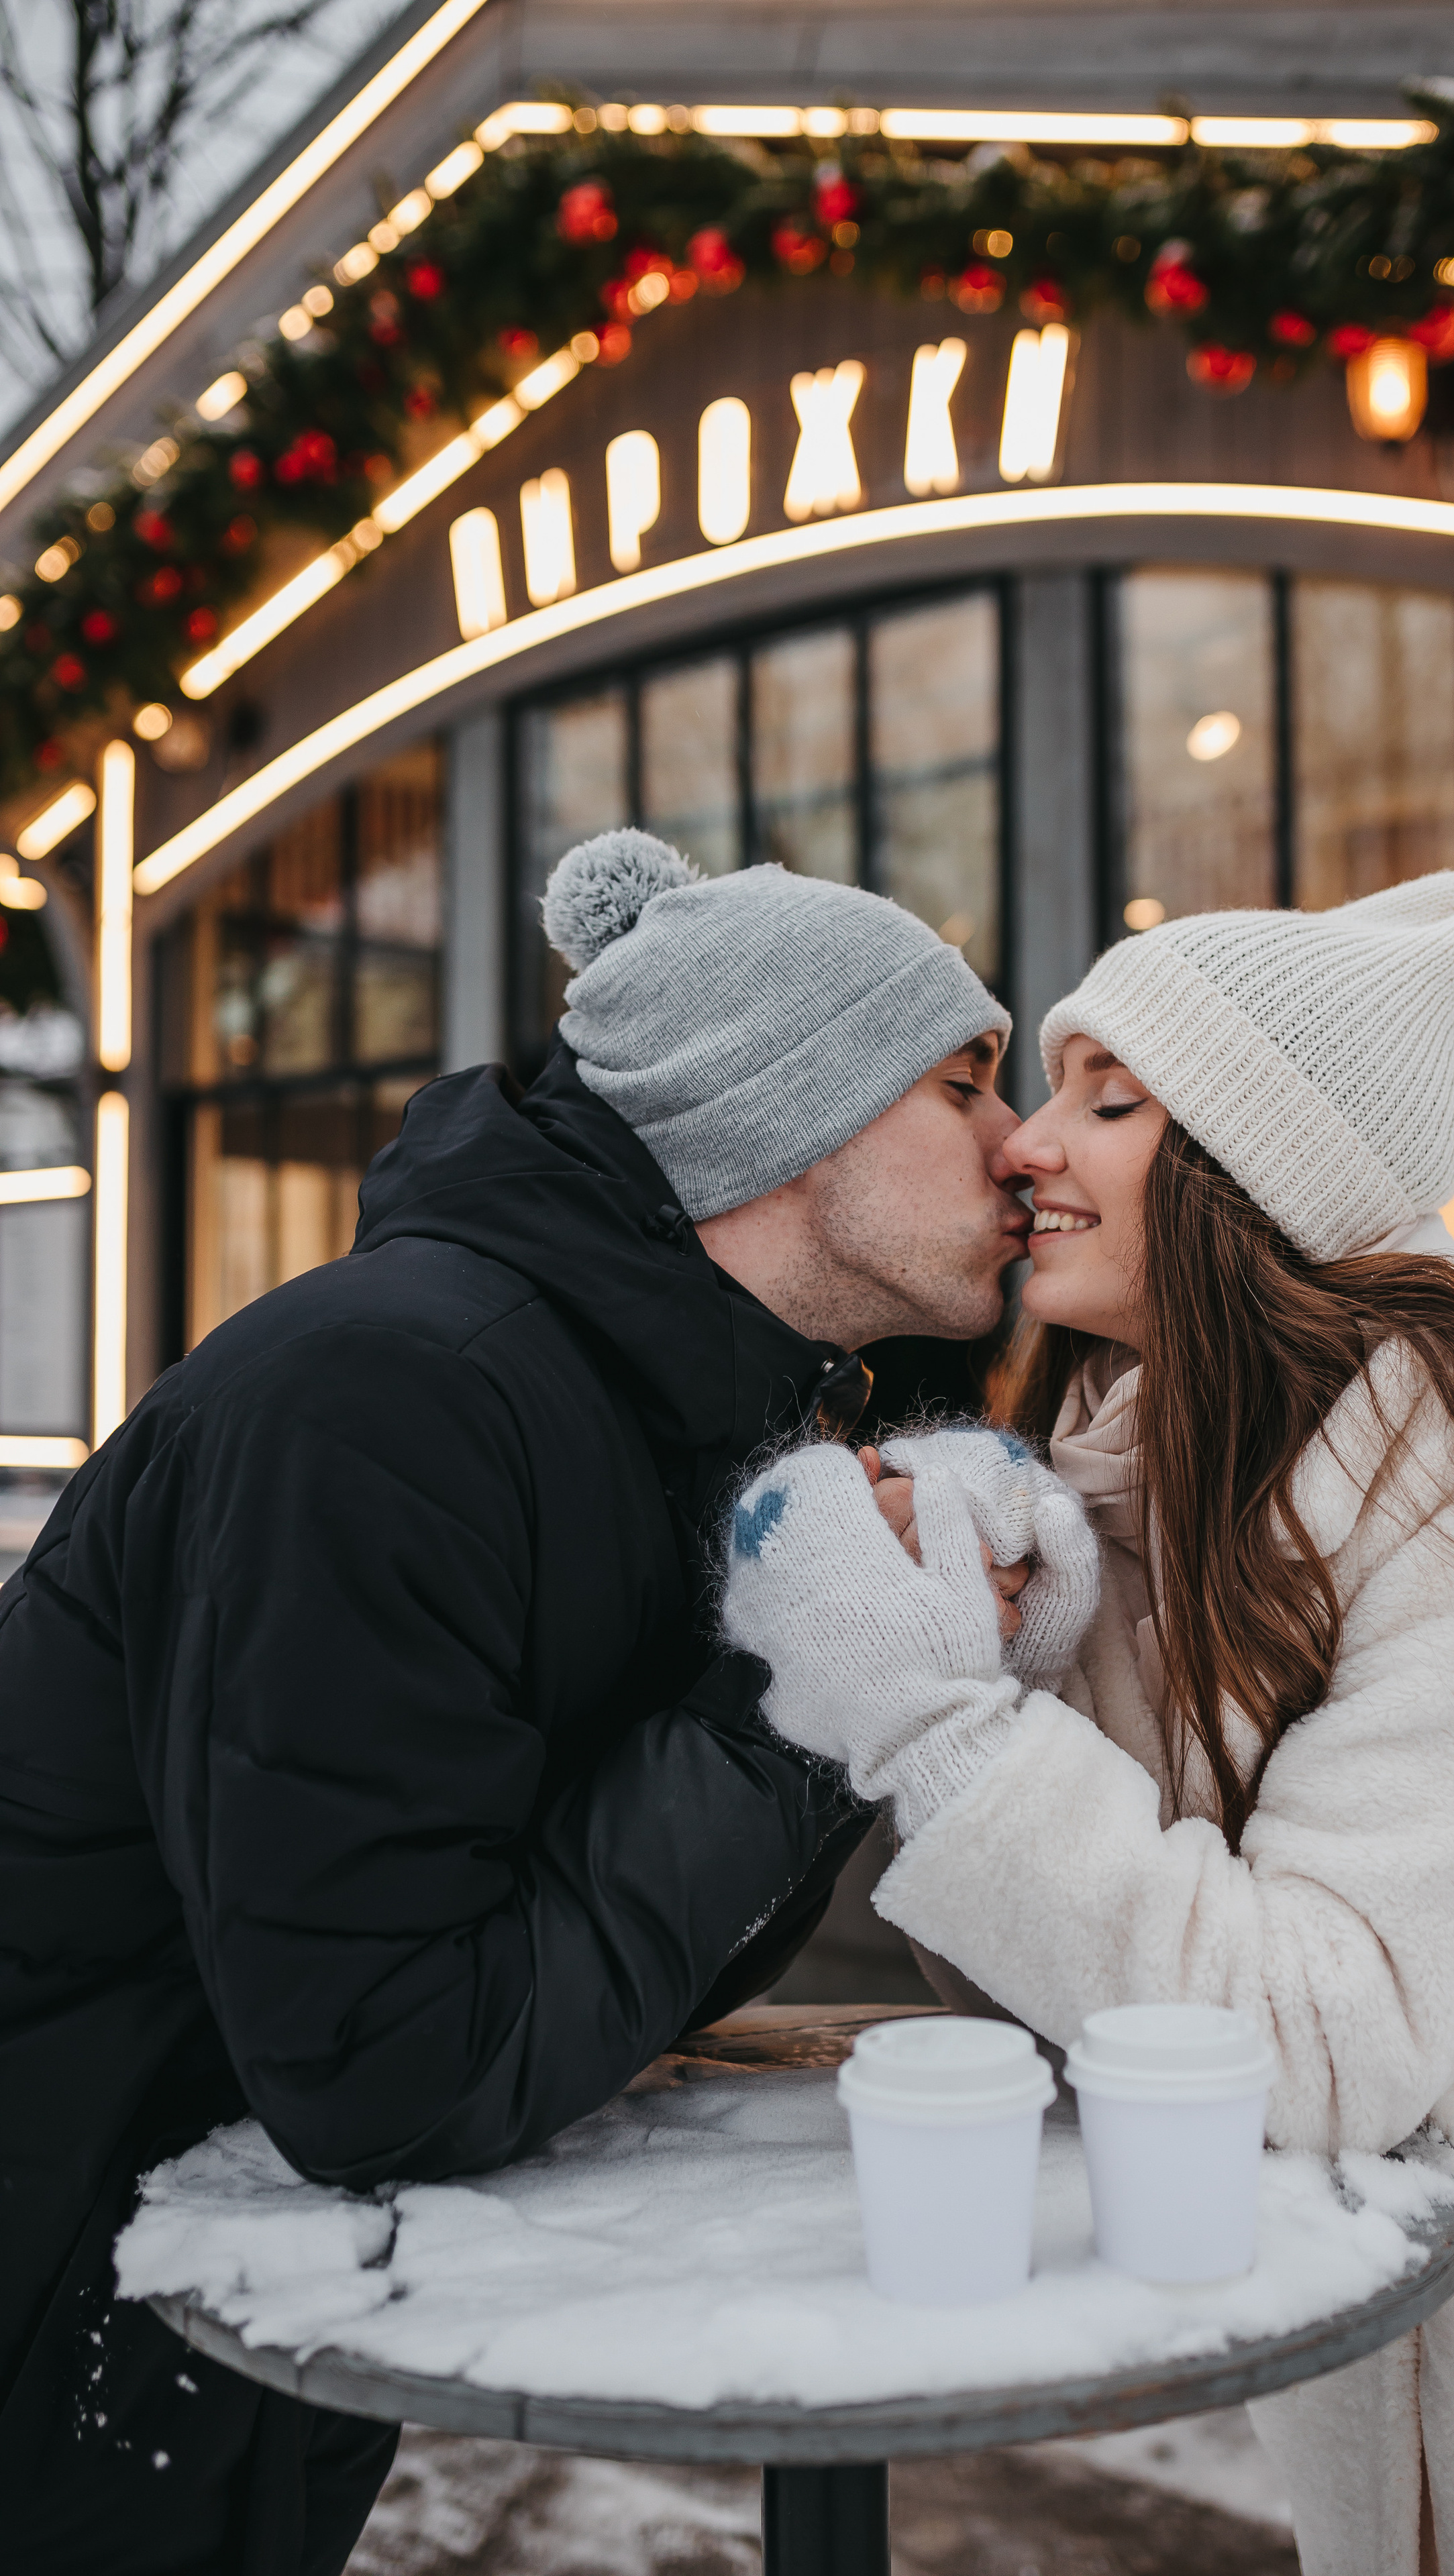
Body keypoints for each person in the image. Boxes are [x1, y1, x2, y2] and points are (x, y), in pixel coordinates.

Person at [0, 828, 1031, 2574]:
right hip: (65, 2318)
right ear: (789, 1111)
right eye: (961, 1086)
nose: (1018, 1152)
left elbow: (627, 1970)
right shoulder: (386, 1399)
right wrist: (798, 1690)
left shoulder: (693, 1426)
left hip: (225, 2306)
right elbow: (397, 2070)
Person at [723, 871, 1454, 2576]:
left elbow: (1317, 2042)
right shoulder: (1158, 1462)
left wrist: (952, 1729)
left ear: (1253, 1171)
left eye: (1109, 1102)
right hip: (1406, 2359)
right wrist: (1018, 1646)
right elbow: (1080, 2010)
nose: (1026, 1146)